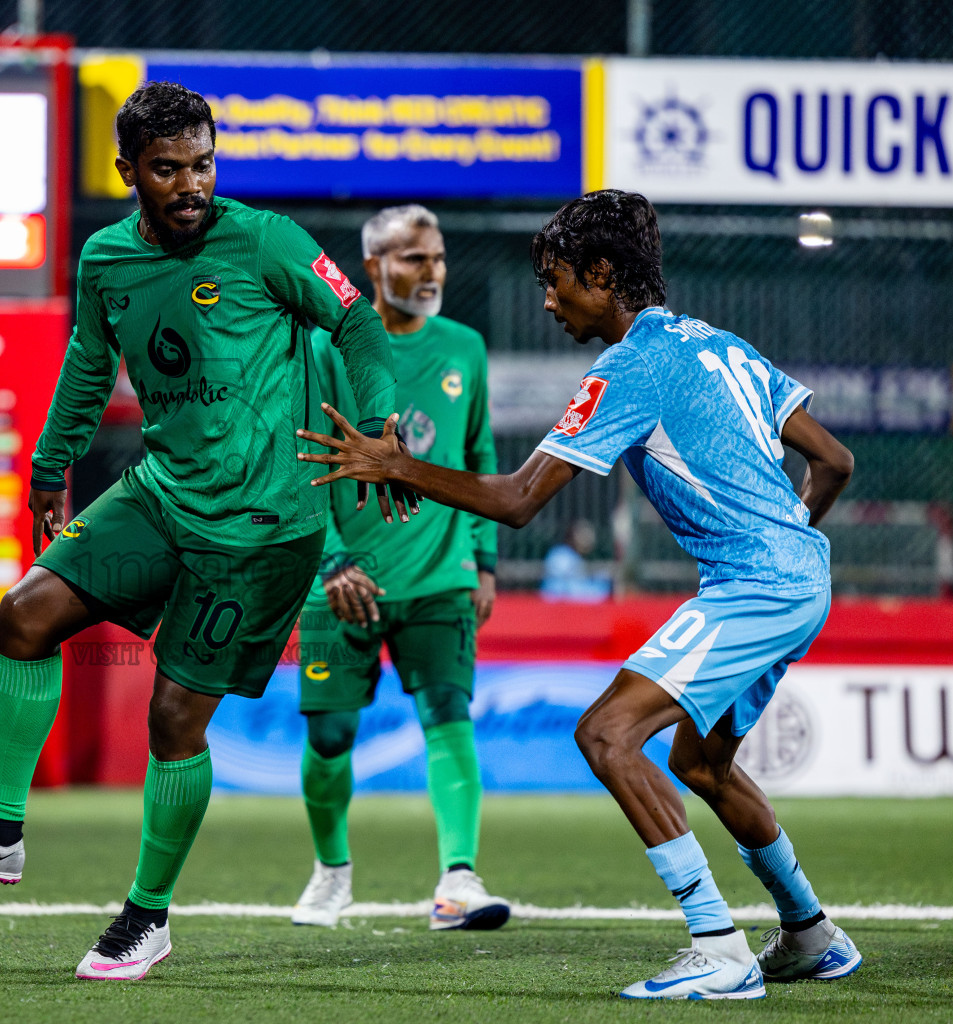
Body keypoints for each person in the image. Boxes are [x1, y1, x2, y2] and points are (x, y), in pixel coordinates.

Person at [0, 81, 411, 981]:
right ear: (128, 170)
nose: (191, 184)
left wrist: (381, 421)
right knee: (25, 613)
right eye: (168, 169)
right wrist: (50, 465)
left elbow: (355, 320)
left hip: (258, 530)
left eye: (203, 164)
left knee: (173, 719)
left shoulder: (267, 241)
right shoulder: (106, 260)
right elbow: (88, 365)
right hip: (162, 496)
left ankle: (146, 918)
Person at [297, 190, 860, 1000]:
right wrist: (789, 544)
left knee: (606, 735)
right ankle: (810, 934)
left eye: (556, 281)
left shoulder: (629, 367)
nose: (549, 300)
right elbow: (834, 460)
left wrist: (399, 466)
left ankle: (719, 947)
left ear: (601, 274)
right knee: (701, 765)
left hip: (758, 586)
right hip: (800, 576)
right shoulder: (717, 343)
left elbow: (518, 500)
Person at [290, 205, 510, 932]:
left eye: (437, 257)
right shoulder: (326, 344)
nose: (432, 271)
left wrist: (483, 559)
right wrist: (330, 559)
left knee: (449, 713)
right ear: (374, 267)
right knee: (329, 737)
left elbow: (479, 454)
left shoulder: (464, 347)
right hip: (341, 579)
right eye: (415, 258)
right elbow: (297, 459)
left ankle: (458, 880)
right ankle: (331, 872)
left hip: (442, 573)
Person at [540, 519, 610, 602]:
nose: (587, 539)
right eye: (583, 535)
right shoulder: (561, 555)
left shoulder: (577, 558)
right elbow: (568, 591)